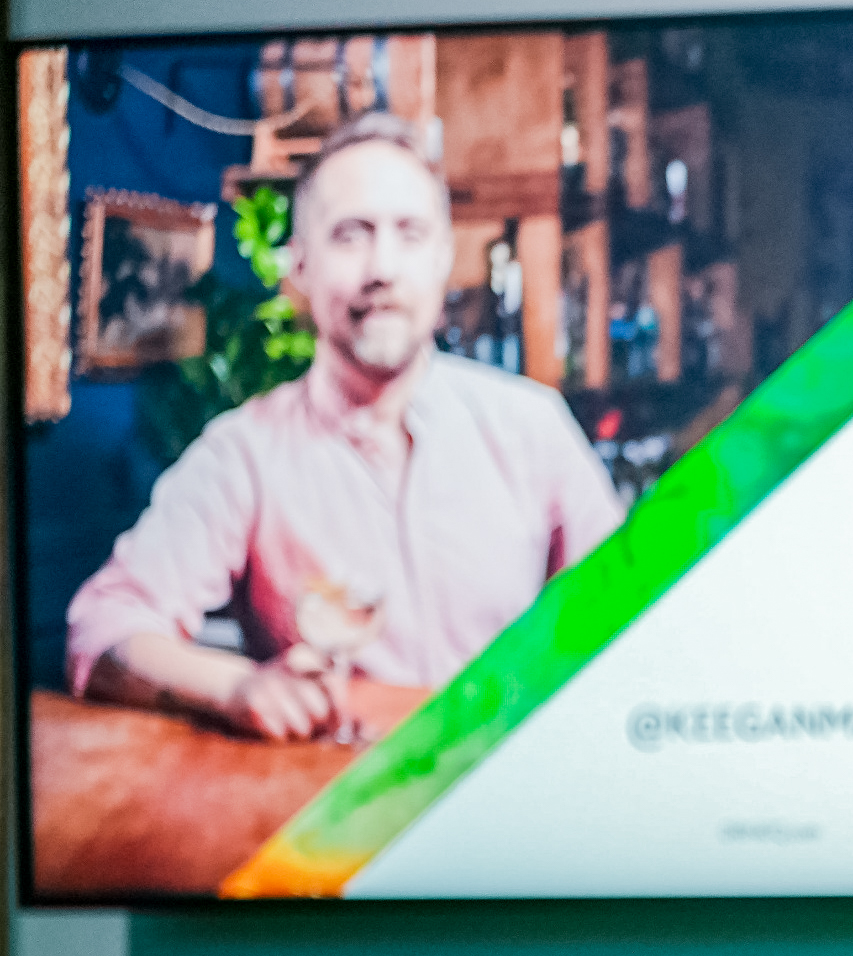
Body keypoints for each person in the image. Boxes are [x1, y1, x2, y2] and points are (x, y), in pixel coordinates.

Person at [65, 113, 622, 740]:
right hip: (333, 816)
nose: (381, 267)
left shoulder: (533, 429)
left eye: (409, 233)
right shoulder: (244, 455)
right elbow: (103, 626)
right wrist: (237, 686)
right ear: (300, 265)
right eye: (350, 235)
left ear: (443, 258)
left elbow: (628, 618)